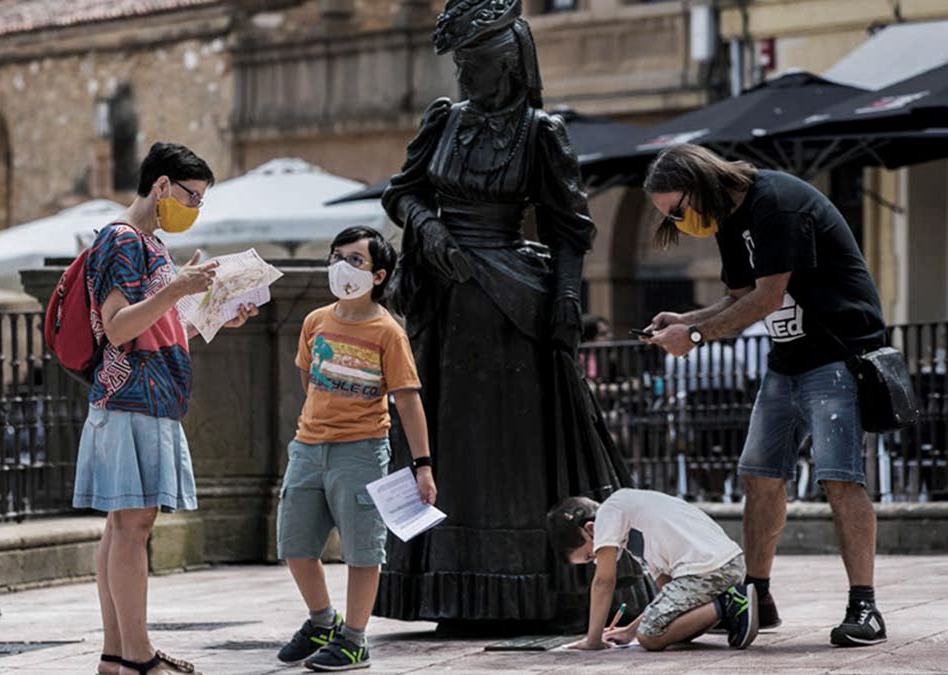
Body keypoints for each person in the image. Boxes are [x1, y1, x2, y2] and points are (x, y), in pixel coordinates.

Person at [376, 0, 650, 629]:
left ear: (508, 63)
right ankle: (450, 590)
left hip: (513, 310)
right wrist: (430, 230)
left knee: (511, 451)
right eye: (462, 64)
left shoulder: (540, 131)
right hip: (446, 308)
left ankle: (532, 586)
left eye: (475, 64)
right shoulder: (444, 120)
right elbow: (402, 191)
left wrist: (566, 301)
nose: (465, 77)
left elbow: (570, 229)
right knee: (450, 444)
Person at [640, 143, 888, 647]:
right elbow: (738, 297)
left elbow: (768, 297)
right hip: (787, 360)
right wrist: (686, 319)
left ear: (700, 183)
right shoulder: (728, 218)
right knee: (759, 475)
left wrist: (692, 338)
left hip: (836, 355)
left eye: (678, 211)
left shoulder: (776, 203)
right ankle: (758, 597)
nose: (681, 223)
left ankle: (866, 607)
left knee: (840, 479)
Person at [76, 142, 258, 675]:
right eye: (191, 196)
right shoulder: (122, 240)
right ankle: (137, 654)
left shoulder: (149, 243)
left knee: (123, 526)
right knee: (133, 526)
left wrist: (214, 312)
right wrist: (176, 287)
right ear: (160, 187)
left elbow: (155, 324)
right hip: (133, 400)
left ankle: (117, 655)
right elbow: (117, 326)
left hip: (145, 398)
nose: (195, 209)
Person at [274, 226, 437, 672]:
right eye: (335, 257)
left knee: (363, 550)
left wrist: (423, 465)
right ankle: (323, 621)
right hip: (308, 448)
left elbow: (407, 398)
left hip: (361, 450)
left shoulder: (389, 332)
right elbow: (308, 379)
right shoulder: (315, 321)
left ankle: (354, 639)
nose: (341, 266)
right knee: (295, 544)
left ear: (379, 275)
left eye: (354, 260)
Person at [548, 489, 759, 651]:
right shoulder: (636, 522)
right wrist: (628, 632)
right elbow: (667, 593)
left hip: (708, 571)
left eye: (589, 555)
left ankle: (730, 603)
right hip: (728, 564)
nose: (596, 560)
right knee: (674, 629)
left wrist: (592, 641)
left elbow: (604, 582)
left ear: (590, 529)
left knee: (650, 636)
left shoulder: (608, 513)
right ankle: (729, 605)